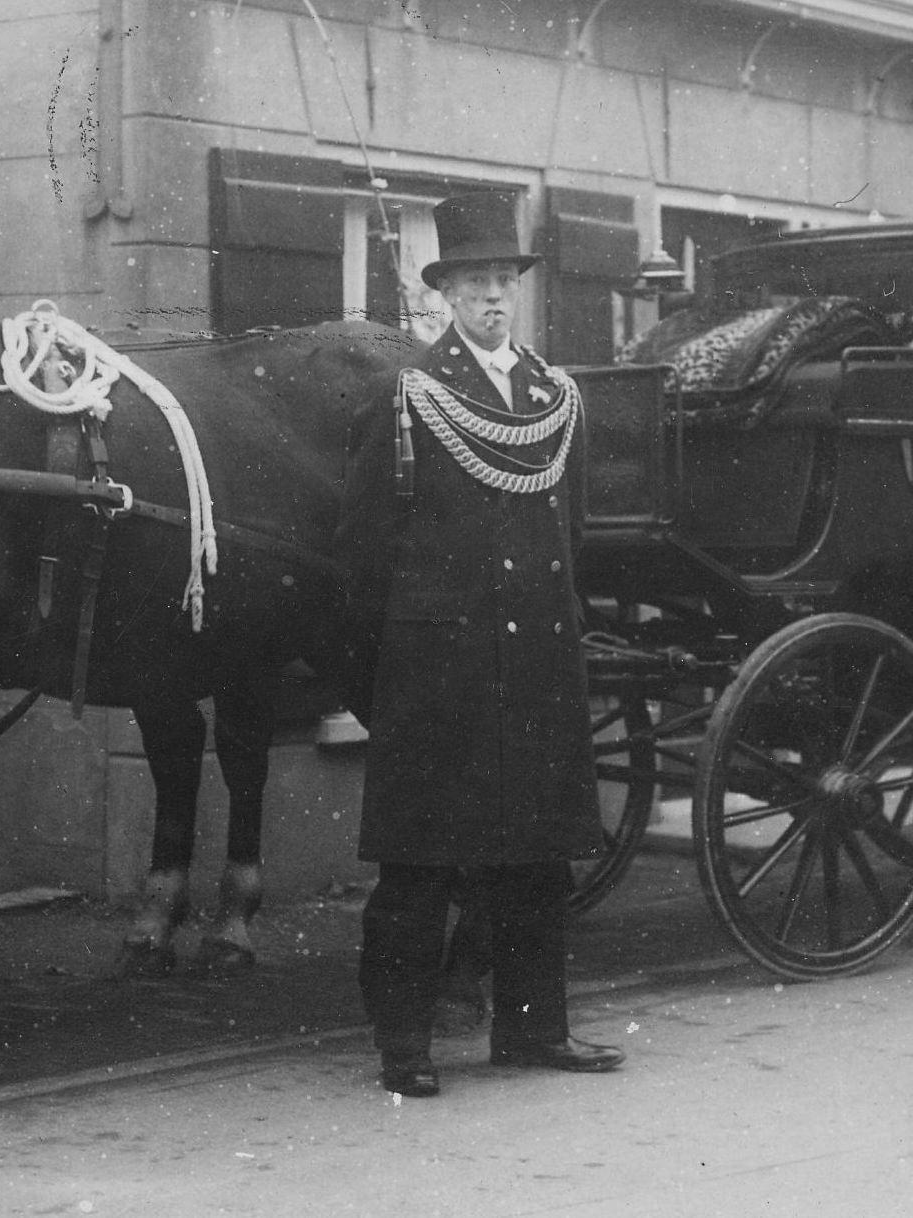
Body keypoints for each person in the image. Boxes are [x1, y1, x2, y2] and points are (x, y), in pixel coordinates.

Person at [337, 191, 625, 1098]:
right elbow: (363, 553)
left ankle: (533, 1032)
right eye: (474, 283)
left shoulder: (554, 396)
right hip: (439, 666)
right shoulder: (409, 395)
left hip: (535, 656)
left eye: (504, 280)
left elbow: (571, 535)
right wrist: (394, 668)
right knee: (421, 865)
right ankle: (404, 1046)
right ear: (445, 296)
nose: (492, 297)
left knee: (536, 856)